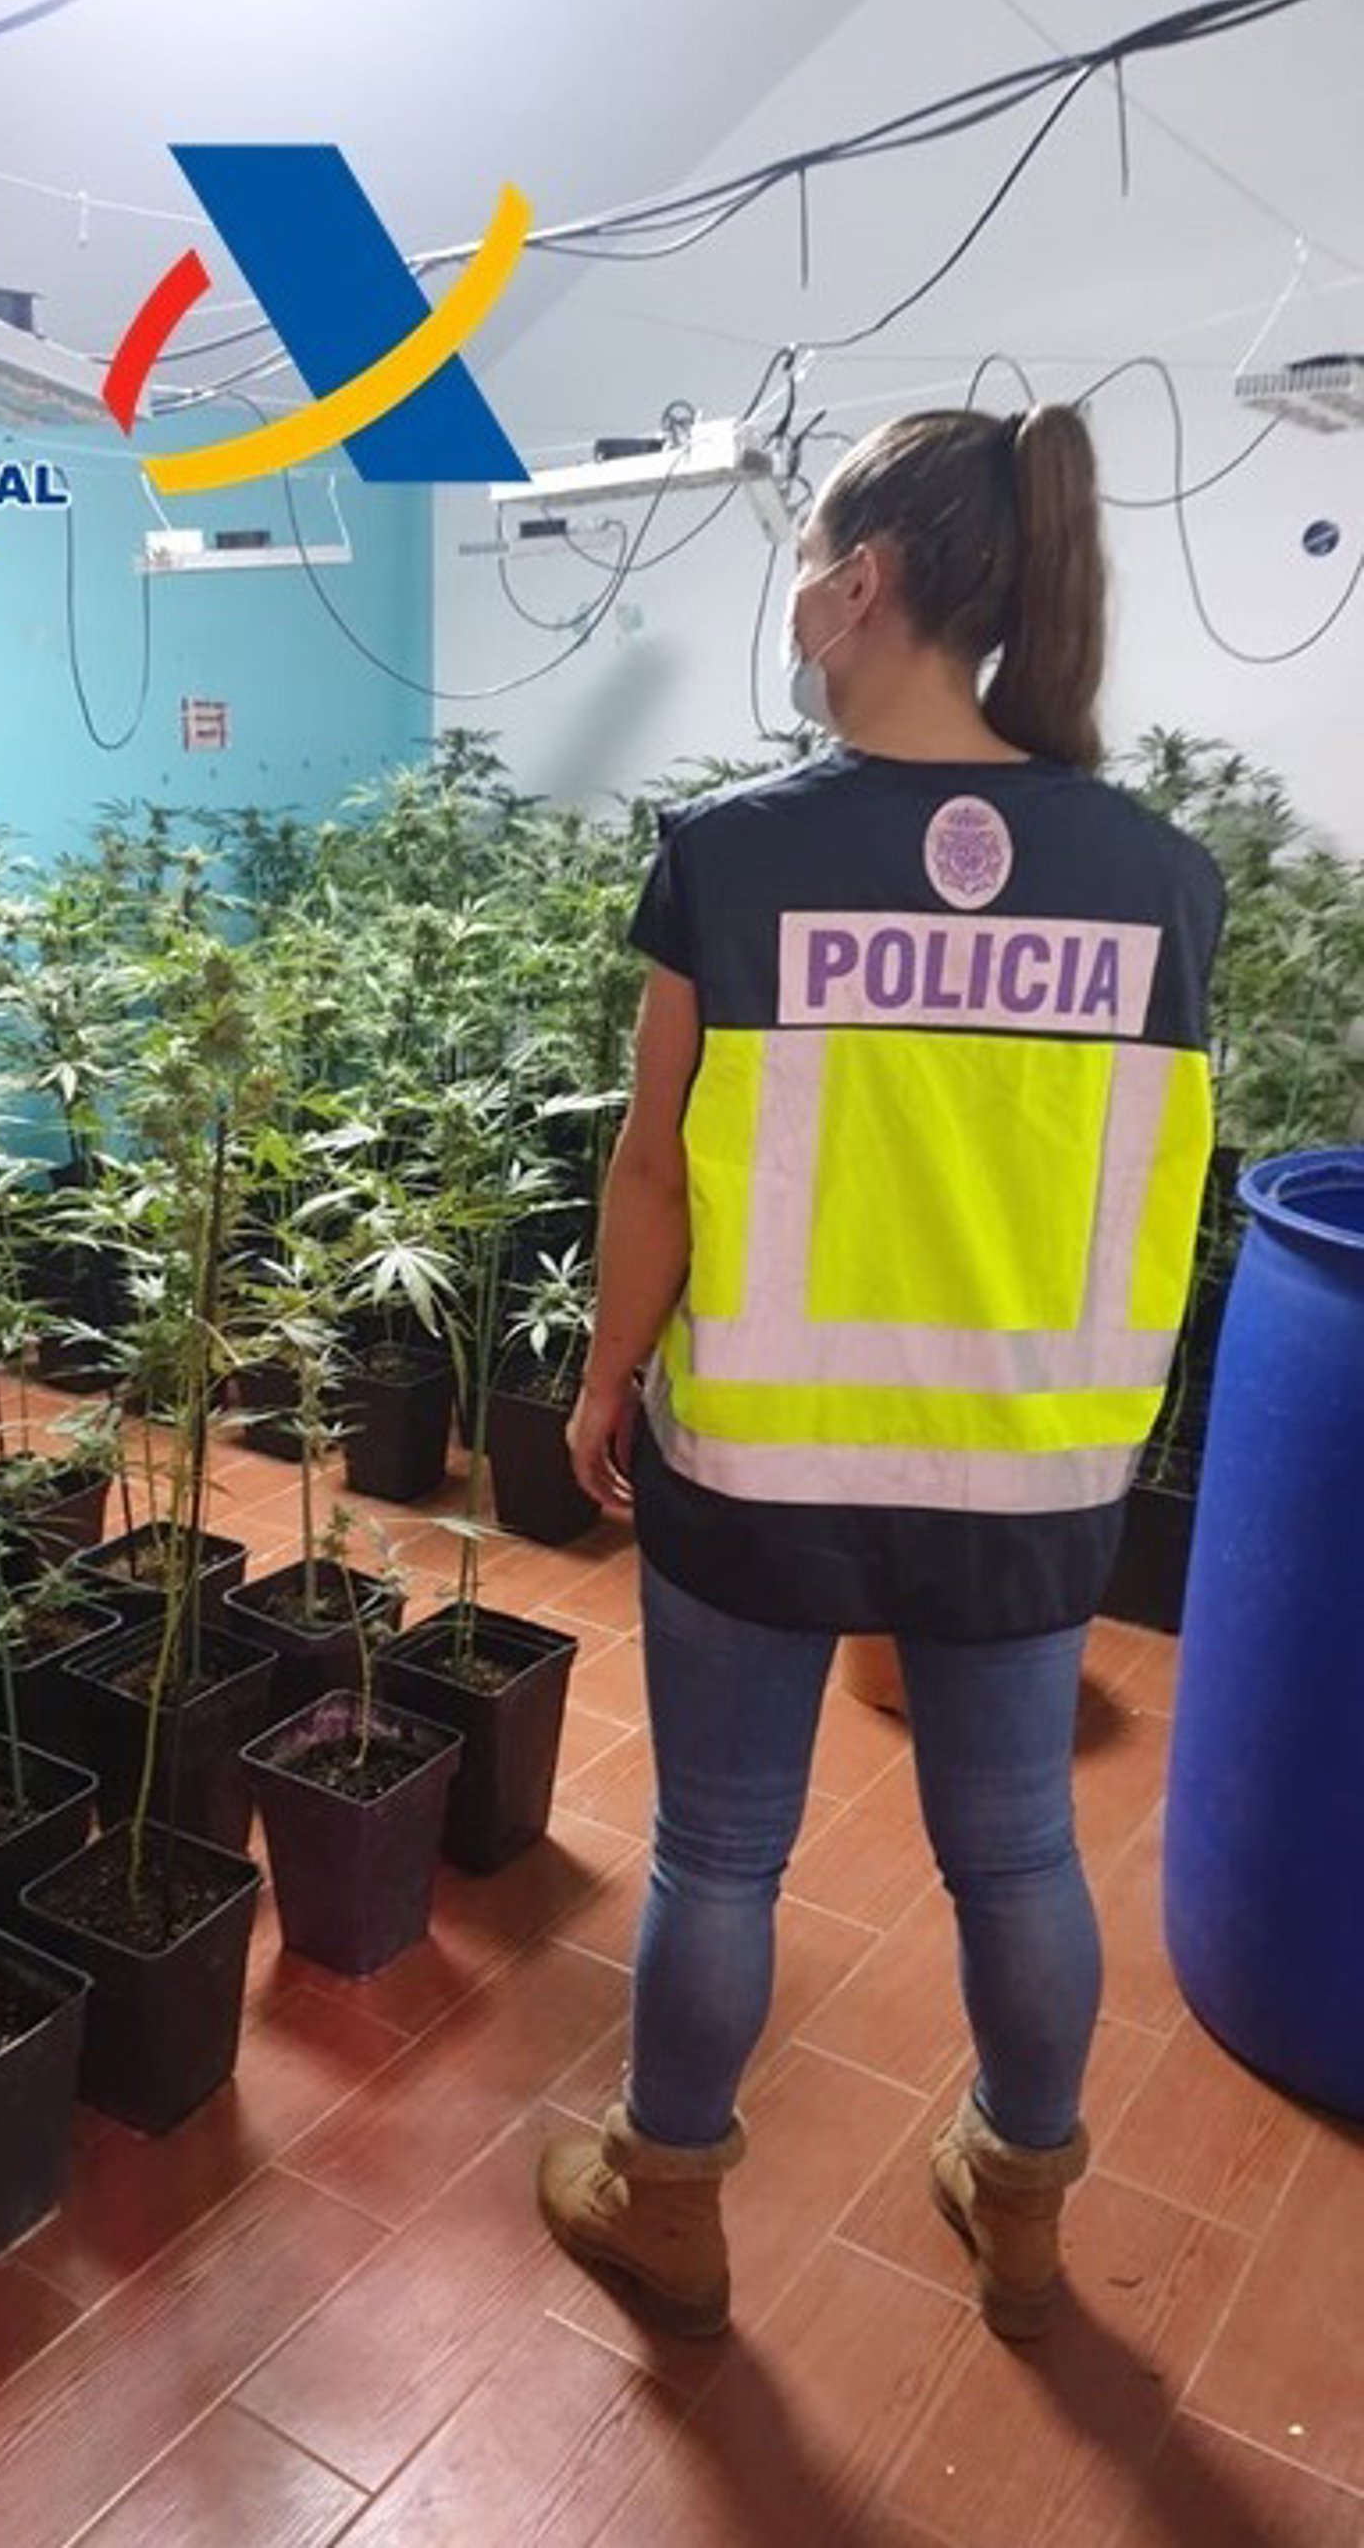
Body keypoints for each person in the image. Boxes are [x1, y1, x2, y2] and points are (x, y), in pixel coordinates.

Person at [538, 403, 1224, 2343]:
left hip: (762, 1460)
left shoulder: (734, 859)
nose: (792, 601)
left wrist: (606, 1376)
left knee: (718, 1850)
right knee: (1016, 1849)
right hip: (1030, 1466)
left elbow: (655, 1165)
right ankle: (1021, 2198)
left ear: (863, 583)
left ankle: (669, 2202)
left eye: (802, 563)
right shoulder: (1162, 882)